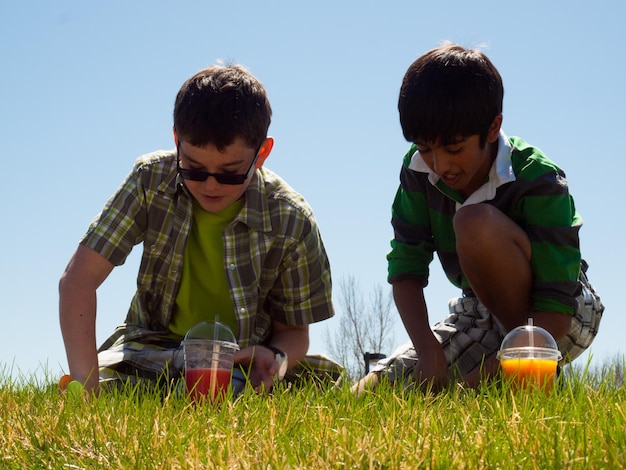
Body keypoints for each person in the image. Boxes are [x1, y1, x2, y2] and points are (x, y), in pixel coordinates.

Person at [59, 64, 340, 394]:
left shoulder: (292, 218)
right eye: (192, 168)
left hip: (240, 361)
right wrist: (86, 383)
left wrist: (276, 358)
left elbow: (294, 333)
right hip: (152, 352)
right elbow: (78, 279)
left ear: (262, 153)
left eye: (230, 173)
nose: (210, 185)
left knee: (236, 394)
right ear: (177, 141)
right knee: (112, 390)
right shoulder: (150, 180)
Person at [353, 43, 604, 393]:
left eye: (454, 149)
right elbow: (406, 266)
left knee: (473, 225)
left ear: (492, 127)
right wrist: (428, 351)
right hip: (481, 312)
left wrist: (472, 388)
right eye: (426, 149)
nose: (440, 166)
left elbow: (557, 305)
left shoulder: (538, 179)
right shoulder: (418, 170)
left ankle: (535, 378)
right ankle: (518, 378)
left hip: (562, 313)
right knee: (369, 393)